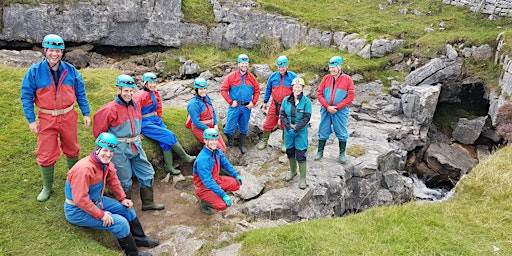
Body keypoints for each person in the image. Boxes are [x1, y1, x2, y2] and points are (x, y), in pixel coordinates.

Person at [20, 34, 91, 202]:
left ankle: (75, 181)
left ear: (62, 52)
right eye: (51, 50)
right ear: (45, 51)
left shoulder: (71, 70)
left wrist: (86, 113)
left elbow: (80, 93)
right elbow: (26, 96)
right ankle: (47, 187)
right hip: (46, 118)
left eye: (58, 51)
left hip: (68, 116)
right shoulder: (34, 72)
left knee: (72, 148)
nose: (55, 54)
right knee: (45, 153)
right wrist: (31, 120)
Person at [64, 132, 158, 256]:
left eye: (111, 152)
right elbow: (80, 200)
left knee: (127, 209)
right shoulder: (84, 169)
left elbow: (113, 181)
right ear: (98, 149)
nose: (108, 154)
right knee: (120, 223)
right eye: (105, 150)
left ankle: (140, 239)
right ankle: (133, 253)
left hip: (97, 200)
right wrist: (101, 215)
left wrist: (123, 198)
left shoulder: (106, 164)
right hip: (78, 210)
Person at [93, 74, 164, 211]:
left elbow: (138, 121)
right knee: (124, 179)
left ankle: (148, 203)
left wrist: (137, 133)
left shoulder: (136, 104)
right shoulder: (108, 109)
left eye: (131, 90)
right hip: (118, 148)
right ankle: (126, 209)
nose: (129, 93)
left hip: (135, 144)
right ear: (118, 90)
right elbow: (99, 133)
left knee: (147, 172)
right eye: (125, 90)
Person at [132, 72, 196, 175]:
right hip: (145, 122)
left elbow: (159, 107)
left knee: (165, 142)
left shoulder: (155, 93)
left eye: (154, 82)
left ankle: (169, 167)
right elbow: (134, 114)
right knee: (169, 135)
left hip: (155, 119)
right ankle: (184, 156)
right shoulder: (139, 96)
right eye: (150, 83)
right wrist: (136, 131)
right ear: (145, 83)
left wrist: (159, 119)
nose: (152, 85)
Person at [315, 56, 355, 163]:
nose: (331, 70)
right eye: (330, 67)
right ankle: (320, 151)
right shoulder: (326, 79)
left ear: (339, 66)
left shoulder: (348, 80)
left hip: (340, 111)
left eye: (334, 67)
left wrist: (337, 107)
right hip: (326, 110)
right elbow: (319, 94)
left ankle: (342, 153)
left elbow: (350, 97)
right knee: (323, 129)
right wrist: (327, 107)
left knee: (341, 131)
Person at [193, 128, 243, 215]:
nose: (214, 142)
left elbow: (226, 164)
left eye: (216, 140)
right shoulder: (202, 160)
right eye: (211, 140)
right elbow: (207, 181)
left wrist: (235, 174)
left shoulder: (217, 152)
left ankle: (216, 193)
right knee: (223, 205)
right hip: (204, 188)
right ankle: (205, 203)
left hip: (217, 180)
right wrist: (223, 195)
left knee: (236, 184)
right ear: (205, 141)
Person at [220, 54, 260, 154]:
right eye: (242, 63)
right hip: (235, 107)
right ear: (238, 64)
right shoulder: (231, 77)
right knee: (229, 127)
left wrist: (253, 102)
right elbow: (223, 89)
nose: (244, 65)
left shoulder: (252, 78)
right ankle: (230, 144)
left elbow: (257, 91)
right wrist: (230, 101)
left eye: (246, 63)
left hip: (246, 107)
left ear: (248, 64)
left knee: (244, 127)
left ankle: (241, 145)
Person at [258, 55, 297, 152]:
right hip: (274, 104)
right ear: (277, 67)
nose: (281, 69)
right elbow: (268, 89)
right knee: (268, 123)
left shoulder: (293, 77)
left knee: (285, 124)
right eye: (279, 67)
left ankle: (284, 143)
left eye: (283, 66)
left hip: (287, 105)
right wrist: (265, 102)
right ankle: (264, 140)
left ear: (287, 66)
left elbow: (298, 89)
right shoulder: (273, 77)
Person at [280, 77, 312, 189]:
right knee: (290, 151)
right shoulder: (286, 100)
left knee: (300, 153)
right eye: (295, 87)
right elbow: (282, 115)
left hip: (301, 131)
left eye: (299, 87)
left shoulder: (307, 102)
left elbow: (307, 117)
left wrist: (296, 129)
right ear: (292, 87)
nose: (297, 89)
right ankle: (293, 172)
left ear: (302, 88)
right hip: (288, 130)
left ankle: (303, 178)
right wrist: (288, 128)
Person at [186, 77, 227, 153]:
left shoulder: (207, 98)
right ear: (196, 90)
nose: (203, 91)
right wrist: (209, 130)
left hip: (212, 127)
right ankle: (214, 163)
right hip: (201, 129)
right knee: (219, 148)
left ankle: (219, 162)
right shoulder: (193, 104)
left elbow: (213, 112)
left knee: (223, 147)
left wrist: (216, 124)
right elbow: (196, 122)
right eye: (201, 89)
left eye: (205, 88)